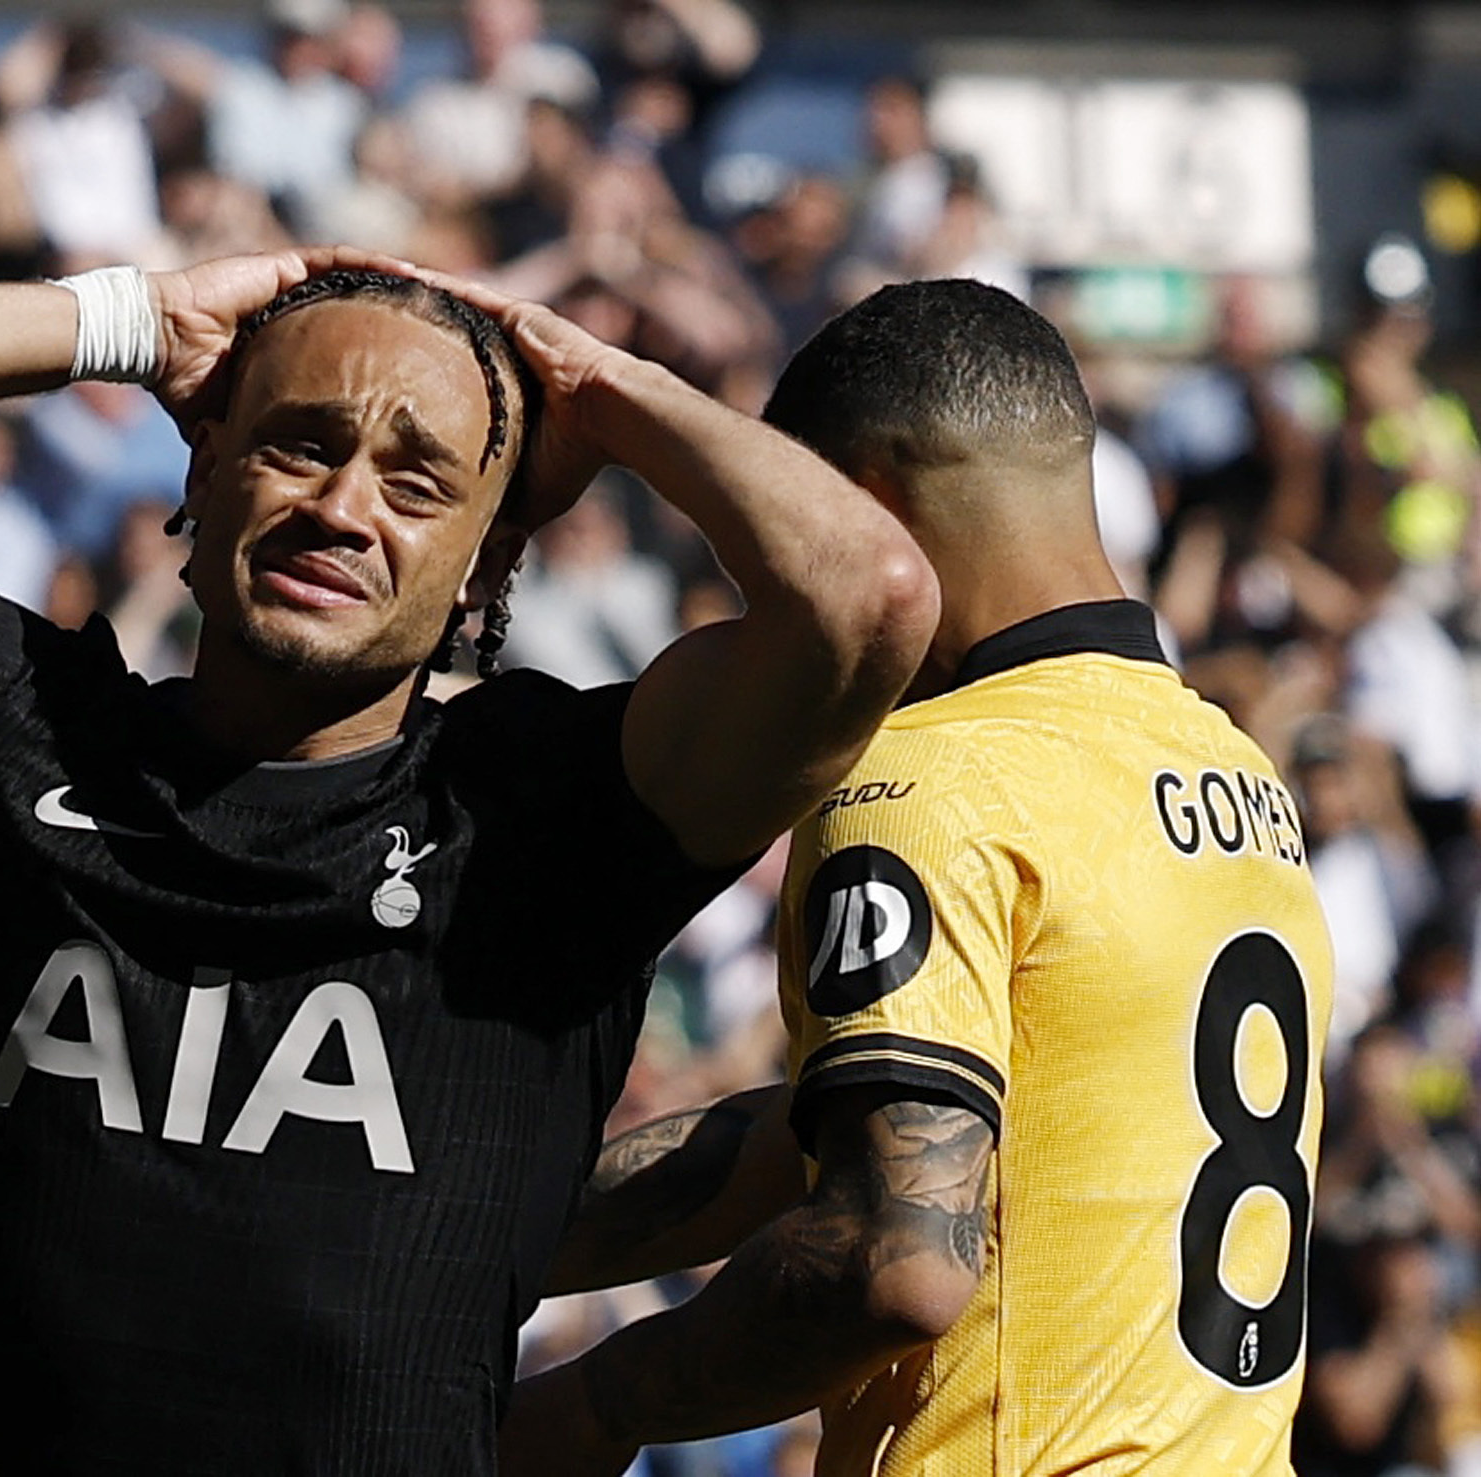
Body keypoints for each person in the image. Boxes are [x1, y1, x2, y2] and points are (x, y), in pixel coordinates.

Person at [0, 245, 935, 1469]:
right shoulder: (9, 733)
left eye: (418, 484)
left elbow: (863, 597)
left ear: (486, 566)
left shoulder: (552, 821)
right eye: (298, 446)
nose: (342, 507)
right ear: (197, 473)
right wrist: (129, 320)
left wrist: (593, 382)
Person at [502, 280, 1337, 1474]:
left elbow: (892, 1256)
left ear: (868, 510)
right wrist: (479, 1219)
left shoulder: (931, 775)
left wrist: (586, 1410)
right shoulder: (1236, 771)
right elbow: (865, 1137)